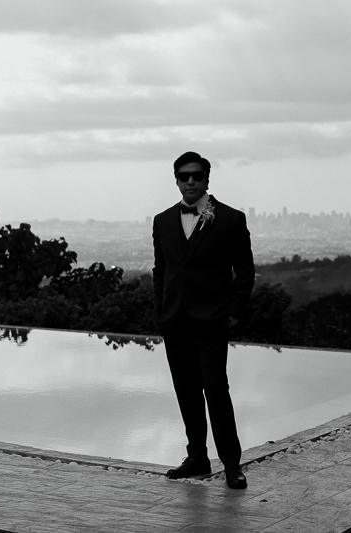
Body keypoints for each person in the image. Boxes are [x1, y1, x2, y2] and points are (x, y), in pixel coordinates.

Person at [152, 151, 255, 489]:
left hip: (212, 321)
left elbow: (245, 271)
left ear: (207, 178)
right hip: (174, 321)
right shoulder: (162, 221)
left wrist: (233, 314)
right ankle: (197, 456)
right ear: (176, 180)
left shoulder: (230, 219)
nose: (191, 181)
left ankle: (231, 464)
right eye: (184, 176)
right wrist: (160, 311)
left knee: (216, 390)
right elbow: (161, 270)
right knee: (186, 391)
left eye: (197, 175)